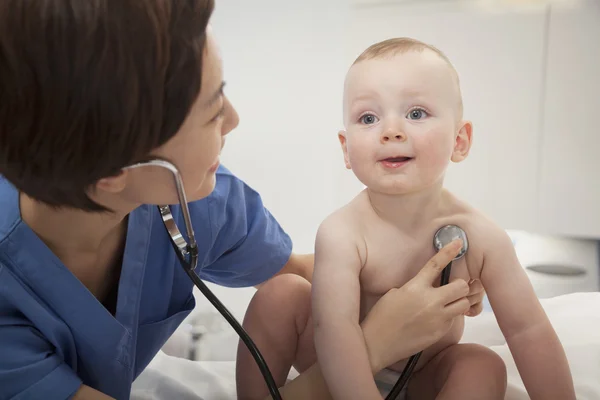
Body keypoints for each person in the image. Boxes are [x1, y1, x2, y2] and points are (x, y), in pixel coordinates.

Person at [0, 2, 488, 400]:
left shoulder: (193, 203)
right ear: (113, 172)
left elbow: (300, 272)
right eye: (213, 111)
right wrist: (373, 346)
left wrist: (422, 278)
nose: (233, 120)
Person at [237, 37, 577, 400]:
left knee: (482, 364)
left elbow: (528, 331)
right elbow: (334, 332)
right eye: (369, 117)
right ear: (346, 149)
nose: (391, 130)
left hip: (425, 374)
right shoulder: (343, 233)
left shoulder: (480, 236)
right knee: (279, 295)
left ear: (460, 140)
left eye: (416, 113)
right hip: (336, 370)